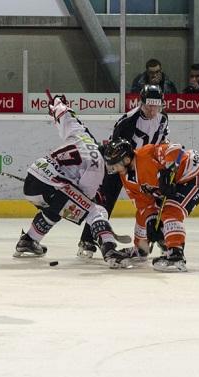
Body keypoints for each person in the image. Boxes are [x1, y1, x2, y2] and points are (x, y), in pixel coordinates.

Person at [13, 96, 133, 269]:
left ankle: (29, 240)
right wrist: (94, 203)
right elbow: (86, 202)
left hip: (33, 182)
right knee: (97, 211)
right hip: (50, 187)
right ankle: (110, 251)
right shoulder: (97, 169)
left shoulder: (82, 135)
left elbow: (65, 115)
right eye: (121, 164)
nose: (121, 169)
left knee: (58, 207)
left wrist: (56, 103)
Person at [77, 84, 169, 259]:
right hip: (122, 165)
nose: (152, 109)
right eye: (149, 105)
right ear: (141, 102)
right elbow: (116, 150)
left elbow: (162, 140)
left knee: (154, 201)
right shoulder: (128, 121)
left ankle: (161, 240)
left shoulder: (163, 119)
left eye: (156, 105)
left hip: (145, 167)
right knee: (105, 201)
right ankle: (87, 240)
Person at [103, 139, 199, 272]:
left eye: (114, 164)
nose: (112, 168)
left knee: (171, 211)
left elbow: (177, 149)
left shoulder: (146, 153)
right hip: (172, 188)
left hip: (193, 177)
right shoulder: (125, 178)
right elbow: (143, 203)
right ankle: (142, 249)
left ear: (126, 160)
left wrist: (168, 171)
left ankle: (176, 254)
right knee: (142, 216)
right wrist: (151, 220)